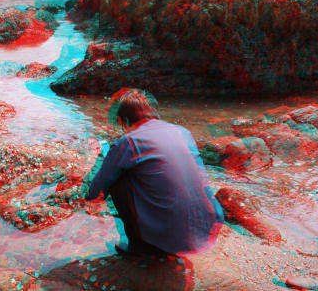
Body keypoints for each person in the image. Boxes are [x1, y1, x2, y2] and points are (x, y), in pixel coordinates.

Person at [85, 88, 223, 256]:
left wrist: (103, 159)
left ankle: (140, 246)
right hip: (210, 228)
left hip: (174, 240)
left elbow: (95, 193)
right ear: (155, 113)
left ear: (121, 120)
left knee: (117, 177)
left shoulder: (127, 142)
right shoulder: (183, 132)